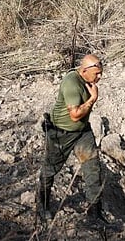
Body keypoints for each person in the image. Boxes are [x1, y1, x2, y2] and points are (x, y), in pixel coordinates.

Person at [37, 54, 106, 224]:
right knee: (49, 170)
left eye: (101, 73)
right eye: (96, 73)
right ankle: (42, 206)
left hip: (82, 132)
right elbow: (75, 115)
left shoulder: (88, 81)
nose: (100, 77)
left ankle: (94, 213)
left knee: (93, 169)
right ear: (84, 71)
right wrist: (92, 99)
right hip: (61, 134)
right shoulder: (71, 83)